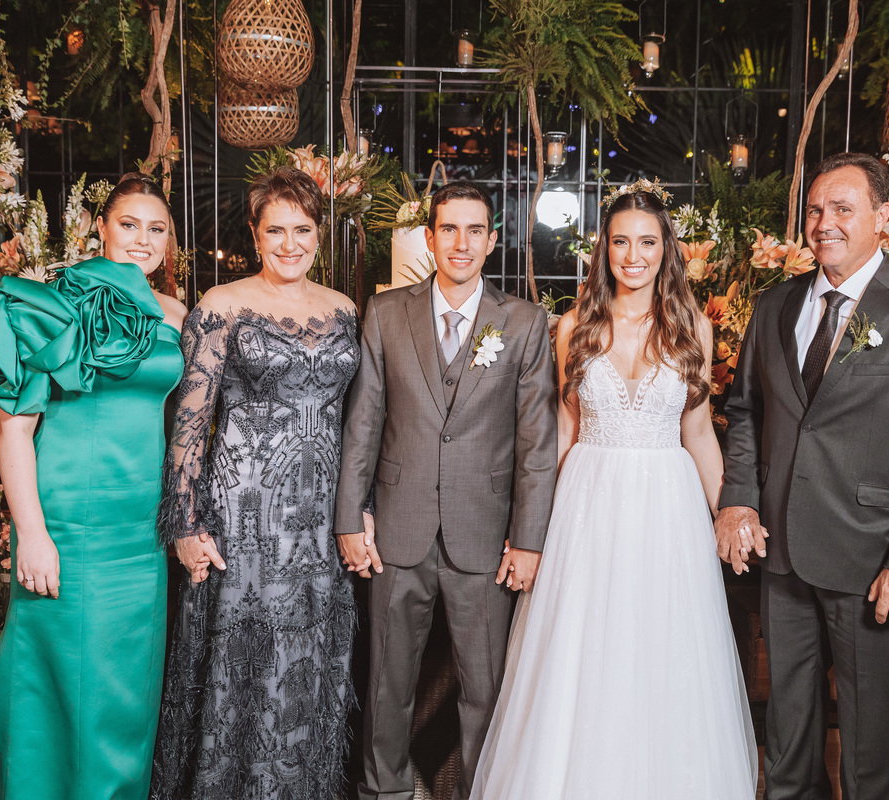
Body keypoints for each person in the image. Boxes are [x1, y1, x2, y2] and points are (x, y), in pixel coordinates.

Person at [470, 185, 757, 799]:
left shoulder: (693, 329)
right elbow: (561, 436)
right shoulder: (575, 327)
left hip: (667, 508)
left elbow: (700, 434)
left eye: (647, 243)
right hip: (588, 506)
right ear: (604, 251)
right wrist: (535, 532)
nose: (633, 256)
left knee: (662, 649)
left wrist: (730, 511)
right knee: (582, 652)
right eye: (621, 242)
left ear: (665, 251)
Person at [716, 152, 889, 799]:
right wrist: (739, 502)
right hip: (781, 558)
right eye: (814, 210)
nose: (823, 222)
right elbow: (747, 413)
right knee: (787, 737)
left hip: (875, 563)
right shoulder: (776, 305)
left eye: (842, 208)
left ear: (883, 219)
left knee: (871, 748)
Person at [0, 173, 187, 799]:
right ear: (99, 228)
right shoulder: (53, 302)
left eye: (156, 228)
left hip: (142, 531)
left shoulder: (179, 313)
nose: (142, 239)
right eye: (128, 224)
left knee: (125, 700)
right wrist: (32, 533)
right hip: (71, 522)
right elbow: (12, 430)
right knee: (52, 686)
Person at [334, 181, 558, 800]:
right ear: (429, 238)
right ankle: (385, 790)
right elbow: (363, 424)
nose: (461, 243)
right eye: (448, 229)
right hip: (396, 529)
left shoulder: (524, 323)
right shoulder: (385, 312)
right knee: (388, 680)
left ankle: (480, 789)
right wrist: (351, 517)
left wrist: (530, 538)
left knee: (485, 685)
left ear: (491, 240)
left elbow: (537, 443)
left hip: (485, 534)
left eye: (474, 230)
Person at [150, 166, 358, 799]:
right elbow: (189, 422)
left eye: (302, 229)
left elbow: (358, 425)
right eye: (276, 230)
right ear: (254, 234)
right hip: (244, 518)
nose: (289, 243)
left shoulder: (345, 310)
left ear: (319, 233)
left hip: (320, 520)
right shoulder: (222, 305)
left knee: (309, 662)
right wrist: (186, 526)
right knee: (240, 663)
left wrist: (360, 508)